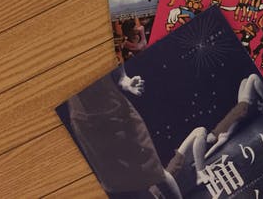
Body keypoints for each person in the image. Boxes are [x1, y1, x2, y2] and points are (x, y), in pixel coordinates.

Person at [67, 66, 183, 198]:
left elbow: (119, 74)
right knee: (127, 186)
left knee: (155, 172)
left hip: (119, 114)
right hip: (88, 125)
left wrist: (126, 81)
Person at [166, 74, 263, 185]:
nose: (207, 138)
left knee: (245, 80)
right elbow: (220, 143)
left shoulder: (216, 133)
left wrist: (200, 159)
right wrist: (203, 158)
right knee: (252, 77)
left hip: (240, 108)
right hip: (242, 109)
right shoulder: (222, 135)